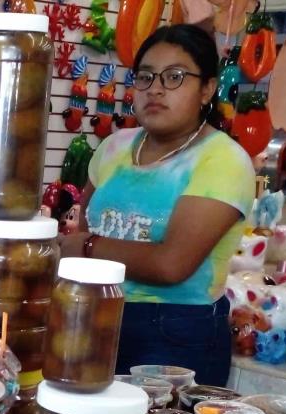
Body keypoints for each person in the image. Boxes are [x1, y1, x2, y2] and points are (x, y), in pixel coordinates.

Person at [60, 24, 256, 386]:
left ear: (207, 89)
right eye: (145, 77)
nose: (156, 89)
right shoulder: (115, 147)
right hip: (96, 316)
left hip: (176, 333)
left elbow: (171, 264)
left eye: (175, 77)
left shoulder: (222, 160)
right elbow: (82, 221)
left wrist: (87, 248)